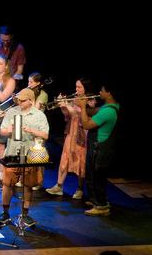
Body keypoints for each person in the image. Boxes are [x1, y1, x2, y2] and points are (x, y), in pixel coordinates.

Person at [0, 88, 49, 229]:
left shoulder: (39, 115)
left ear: (30, 100)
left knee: (28, 184)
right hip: (13, 152)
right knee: (7, 183)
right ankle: (5, 212)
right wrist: (10, 130)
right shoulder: (12, 112)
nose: (19, 102)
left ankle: (25, 214)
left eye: (23, 100)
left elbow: (45, 135)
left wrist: (32, 131)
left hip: (30, 154)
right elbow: (2, 131)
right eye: (19, 99)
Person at [46, 78, 95, 199]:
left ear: (86, 88)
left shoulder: (90, 100)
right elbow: (68, 116)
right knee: (65, 157)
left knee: (80, 160)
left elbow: (79, 116)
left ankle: (79, 189)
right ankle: (59, 186)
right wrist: (63, 106)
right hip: (71, 132)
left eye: (79, 87)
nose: (76, 89)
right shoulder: (74, 98)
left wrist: (67, 105)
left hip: (82, 132)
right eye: (76, 86)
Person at [78, 82, 120, 217]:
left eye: (102, 91)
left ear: (109, 93)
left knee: (97, 177)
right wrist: (82, 105)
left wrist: (83, 106)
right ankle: (97, 201)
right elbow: (93, 112)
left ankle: (102, 206)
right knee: (92, 175)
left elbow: (86, 125)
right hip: (98, 146)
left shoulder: (108, 111)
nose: (100, 93)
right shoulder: (109, 107)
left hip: (99, 147)